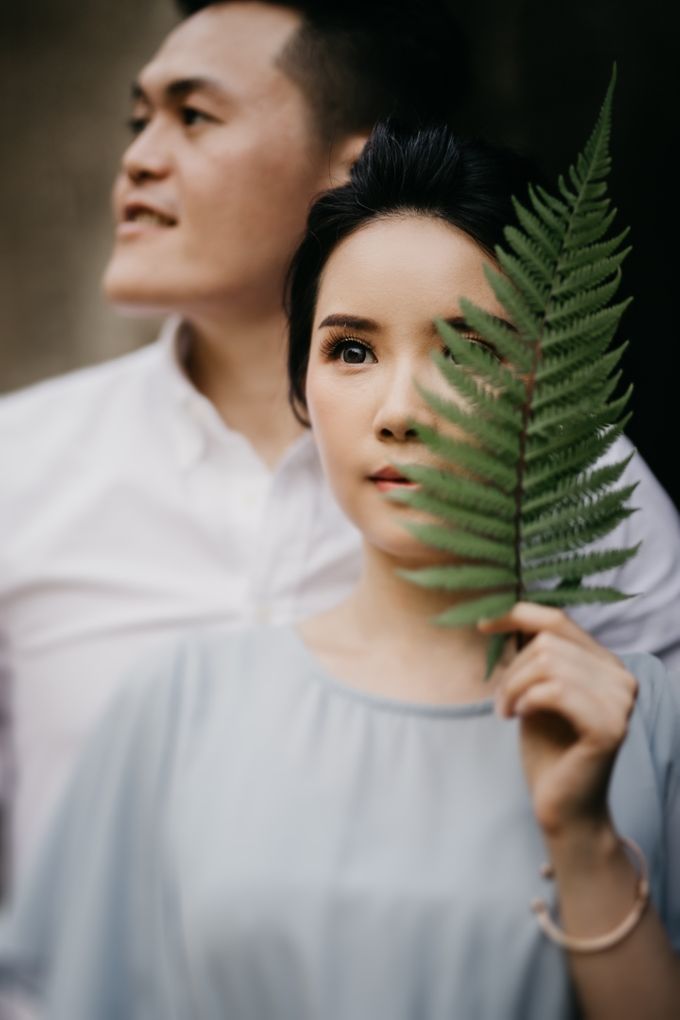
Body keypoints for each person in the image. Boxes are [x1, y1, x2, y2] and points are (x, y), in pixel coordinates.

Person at [1, 121, 679, 1020]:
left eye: (469, 349)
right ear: (304, 393)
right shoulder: (176, 702)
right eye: (352, 350)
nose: (399, 410)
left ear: (551, 394)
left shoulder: (639, 718)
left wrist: (587, 844)